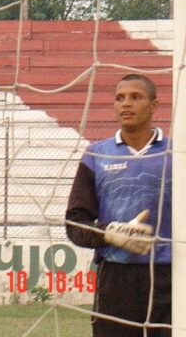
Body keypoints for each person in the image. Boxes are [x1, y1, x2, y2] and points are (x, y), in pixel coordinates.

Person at [65, 74, 172, 337]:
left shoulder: (176, 154)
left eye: (136, 97)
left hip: (170, 276)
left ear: (154, 105)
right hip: (116, 278)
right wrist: (111, 233)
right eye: (120, 98)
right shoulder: (96, 155)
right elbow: (74, 223)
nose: (126, 104)